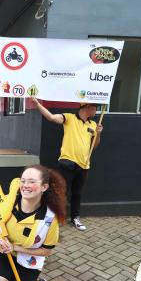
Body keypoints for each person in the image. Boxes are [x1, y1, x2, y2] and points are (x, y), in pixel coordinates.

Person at [0, 165, 66, 281]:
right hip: (2, 251)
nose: (25, 185)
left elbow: (47, 251)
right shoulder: (8, 201)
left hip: (29, 258)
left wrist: (15, 248)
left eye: (31, 181)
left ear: (44, 187)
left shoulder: (50, 218)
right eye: (23, 181)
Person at [31, 98, 103, 231]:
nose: (96, 111)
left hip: (84, 165)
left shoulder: (93, 124)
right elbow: (51, 117)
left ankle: (75, 217)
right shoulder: (69, 118)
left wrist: (98, 134)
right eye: (94, 107)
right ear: (87, 107)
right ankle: (55, 218)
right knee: (60, 192)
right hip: (67, 163)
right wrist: (37, 104)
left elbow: (94, 146)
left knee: (77, 193)